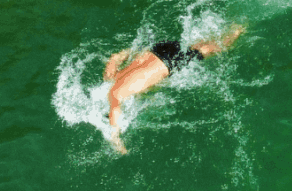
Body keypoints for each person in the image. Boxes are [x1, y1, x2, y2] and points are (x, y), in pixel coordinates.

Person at [104, 24, 246, 153]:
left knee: (215, 48)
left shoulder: (115, 95)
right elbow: (114, 58)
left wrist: (116, 140)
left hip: (168, 62)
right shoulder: (111, 78)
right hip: (157, 50)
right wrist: (123, 55)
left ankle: (237, 31)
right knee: (198, 45)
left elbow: (115, 111)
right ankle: (223, 28)